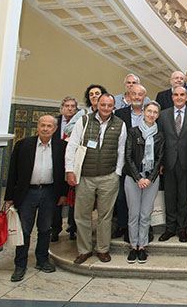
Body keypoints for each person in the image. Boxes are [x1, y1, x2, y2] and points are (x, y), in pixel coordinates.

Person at [65, 93, 127, 264]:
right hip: (85, 177)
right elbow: (72, 146)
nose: (106, 108)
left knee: (105, 216)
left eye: (109, 105)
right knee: (82, 215)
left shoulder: (120, 124)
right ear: (97, 105)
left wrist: (117, 173)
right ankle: (84, 250)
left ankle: (103, 249)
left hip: (109, 177)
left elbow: (121, 150)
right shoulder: (84, 121)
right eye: (103, 105)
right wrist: (70, 170)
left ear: (114, 107)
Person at [5, 115, 68, 282]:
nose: (45, 129)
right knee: (24, 230)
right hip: (28, 193)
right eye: (42, 125)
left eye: (49, 126)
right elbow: (13, 172)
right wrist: (10, 196)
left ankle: (42, 260)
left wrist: (63, 194)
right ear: (37, 126)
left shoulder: (62, 147)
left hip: (49, 192)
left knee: (45, 228)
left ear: (55, 129)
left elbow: (64, 173)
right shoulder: (23, 145)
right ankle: (20, 264)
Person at [123, 101, 164, 263]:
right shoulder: (133, 132)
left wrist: (149, 178)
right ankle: (133, 246)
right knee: (133, 214)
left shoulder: (159, 135)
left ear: (158, 115)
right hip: (133, 179)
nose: (151, 115)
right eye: (149, 111)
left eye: (155, 112)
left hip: (151, 180)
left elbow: (160, 158)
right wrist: (138, 178)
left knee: (146, 214)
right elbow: (128, 156)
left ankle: (142, 246)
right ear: (144, 113)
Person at [157, 86, 187, 243]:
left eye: (182, 95)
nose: (179, 97)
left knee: (184, 197)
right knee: (170, 196)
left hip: (186, 162)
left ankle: (182, 229)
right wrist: (160, 163)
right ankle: (170, 228)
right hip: (168, 162)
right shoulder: (163, 115)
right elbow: (160, 140)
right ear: (172, 97)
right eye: (176, 95)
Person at [113, 84, 149, 240]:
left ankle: (143, 228)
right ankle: (123, 225)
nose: (136, 97)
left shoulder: (150, 114)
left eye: (140, 94)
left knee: (144, 198)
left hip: (145, 162)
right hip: (124, 161)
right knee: (122, 197)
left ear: (144, 97)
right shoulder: (119, 114)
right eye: (134, 94)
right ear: (129, 94)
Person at [51, 97, 78, 242]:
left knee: (73, 197)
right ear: (61, 108)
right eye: (67, 106)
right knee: (57, 197)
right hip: (55, 163)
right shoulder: (53, 122)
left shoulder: (80, 122)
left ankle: (72, 227)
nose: (70, 109)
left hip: (74, 163)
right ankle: (54, 229)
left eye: (73, 106)